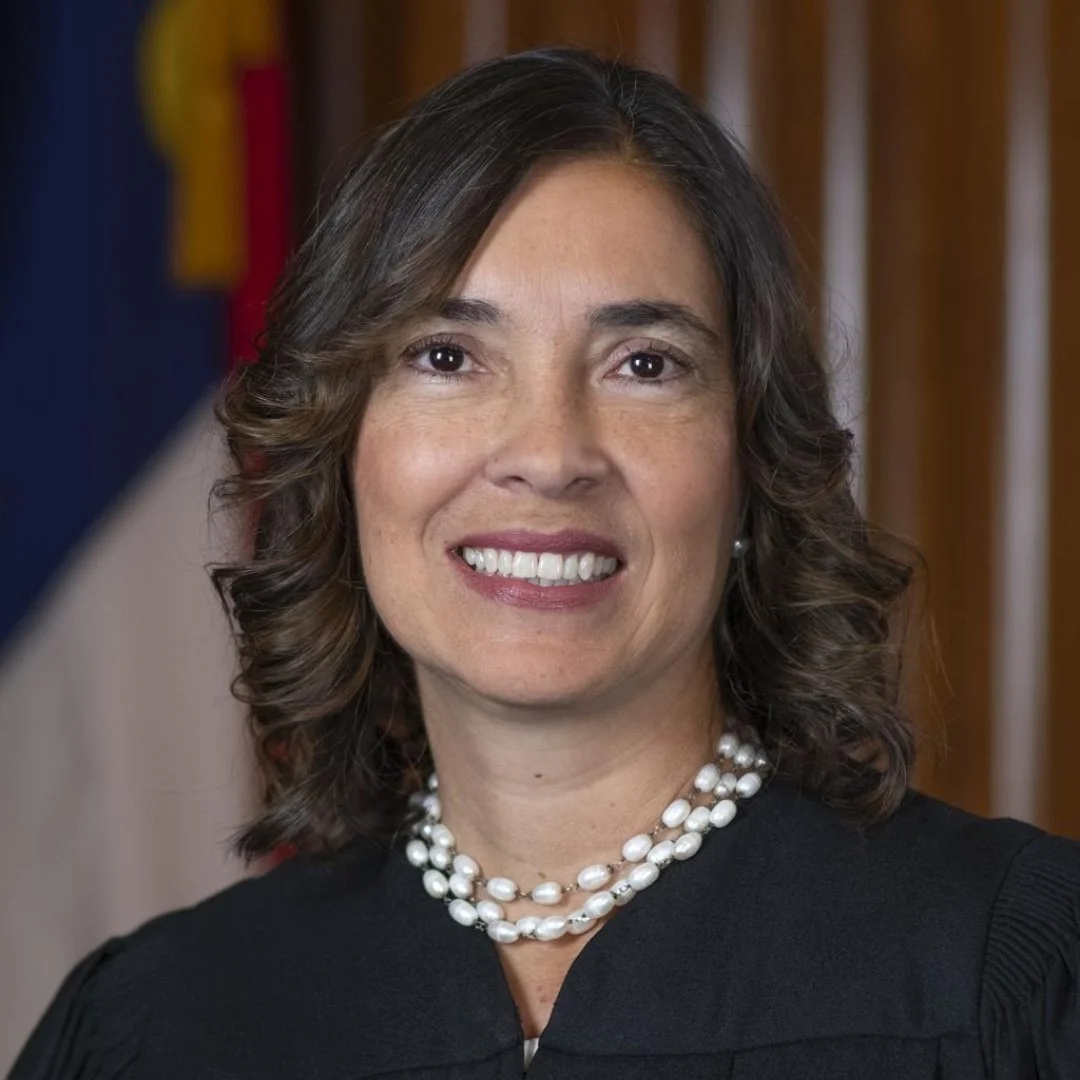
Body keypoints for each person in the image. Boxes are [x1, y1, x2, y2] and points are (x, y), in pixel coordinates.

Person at [9, 47, 1079, 1080]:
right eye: (446, 357)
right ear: (341, 450)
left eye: (645, 364)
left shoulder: (1002, 983)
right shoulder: (161, 1026)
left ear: (752, 460)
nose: (550, 454)